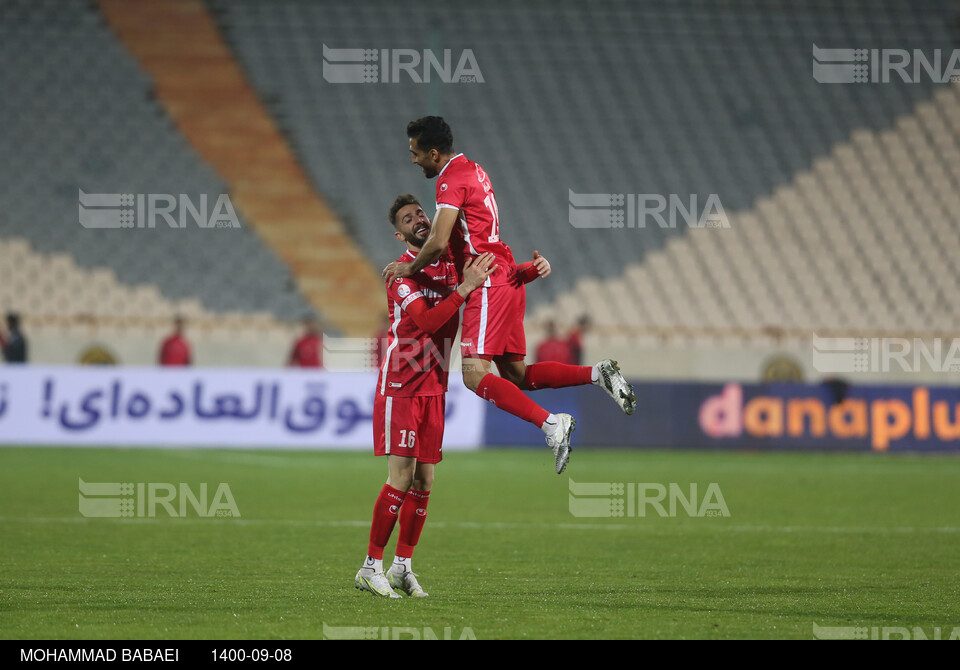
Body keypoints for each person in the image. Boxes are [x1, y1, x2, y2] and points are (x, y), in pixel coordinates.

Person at [383, 116, 636, 474]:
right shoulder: (475, 169)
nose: (413, 159)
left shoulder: (449, 180)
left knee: (473, 374)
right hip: (505, 277)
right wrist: (525, 271)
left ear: (434, 153)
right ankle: (598, 373)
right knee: (517, 375)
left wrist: (408, 269)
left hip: (486, 284)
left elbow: (439, 242)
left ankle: (552, 425)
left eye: (415, 153)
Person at [357, 193, 508, 599]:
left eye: (421, 213)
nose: (418, 220)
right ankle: (370, 566)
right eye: (408, 219)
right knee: (401, 478)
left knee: (425, 480)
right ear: (399, 232)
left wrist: (529, 271)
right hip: (402, 384)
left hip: (434, 384)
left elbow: (493, 271)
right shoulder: (400, 275)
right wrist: (464, 288)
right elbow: (425, 321)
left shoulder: (448, 260)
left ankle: (402, 567)